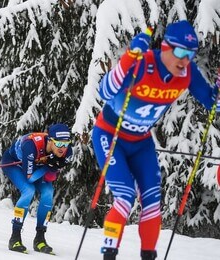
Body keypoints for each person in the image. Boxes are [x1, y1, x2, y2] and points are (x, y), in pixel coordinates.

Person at [93, 21, 219, 260]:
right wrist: (129, 58)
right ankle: (108, 255)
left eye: (190, 55)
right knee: (125, 195)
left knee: (152, 200)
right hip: (111, 135)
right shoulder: (144, 62)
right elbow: (104, 92)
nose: (184, 60)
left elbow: (211, 104)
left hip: (141, 142)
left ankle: (148, 256)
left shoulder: (187, 72)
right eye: (180, 52)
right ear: (165, 47)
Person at [0, 123, 73, 254]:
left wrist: (52, 167)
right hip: (14, 164)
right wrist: (48, 165)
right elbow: (30, 178)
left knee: (48, 192)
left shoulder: (67, 152)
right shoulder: (31, 145)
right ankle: (15, 237)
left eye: (66, 144)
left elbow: (51, 178)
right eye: (59, 144)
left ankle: (40, 239)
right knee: (28, 191)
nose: (63, 148)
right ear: (50, 141)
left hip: (36, 168)